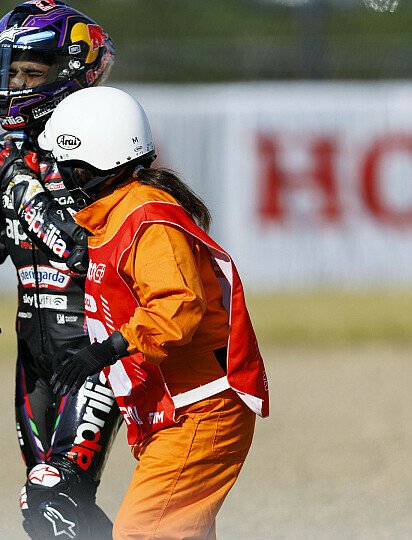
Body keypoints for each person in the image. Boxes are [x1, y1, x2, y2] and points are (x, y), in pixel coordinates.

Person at [38, 86, 271, 539]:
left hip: (202, 409)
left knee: (142, 532)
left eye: (66, 168)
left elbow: (177, 305)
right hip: (178, 408)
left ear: (94, 163)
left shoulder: (147, 216)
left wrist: (106, 351)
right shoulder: (117, 214)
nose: (60, 178)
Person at [0, 2, 121, 538]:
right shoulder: (4, 155)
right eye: (10, 70)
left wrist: (22, 186)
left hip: (99, 356)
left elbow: (87, 250)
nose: (15, 85)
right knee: (51, 508)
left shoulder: (104, 152)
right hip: (35, 363)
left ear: (74, 72)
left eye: (32, 72)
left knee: (51, 498)